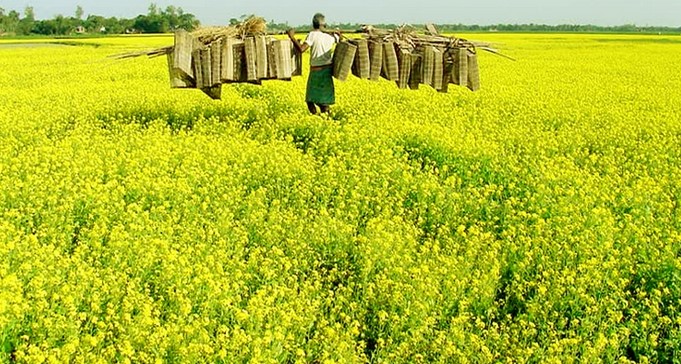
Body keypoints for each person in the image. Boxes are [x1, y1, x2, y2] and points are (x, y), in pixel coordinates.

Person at [287, 13, 340, 115]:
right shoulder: (331, 36)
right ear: (324, 25)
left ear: (314, 24)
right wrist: (337, 33)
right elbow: (339, 38)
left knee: (311, 100)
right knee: (320, 100)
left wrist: (292, 37)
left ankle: (322, 119)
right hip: (326, 71)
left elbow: (302, 49)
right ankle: (322, 119)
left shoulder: (313, 35)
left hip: (316, 72)